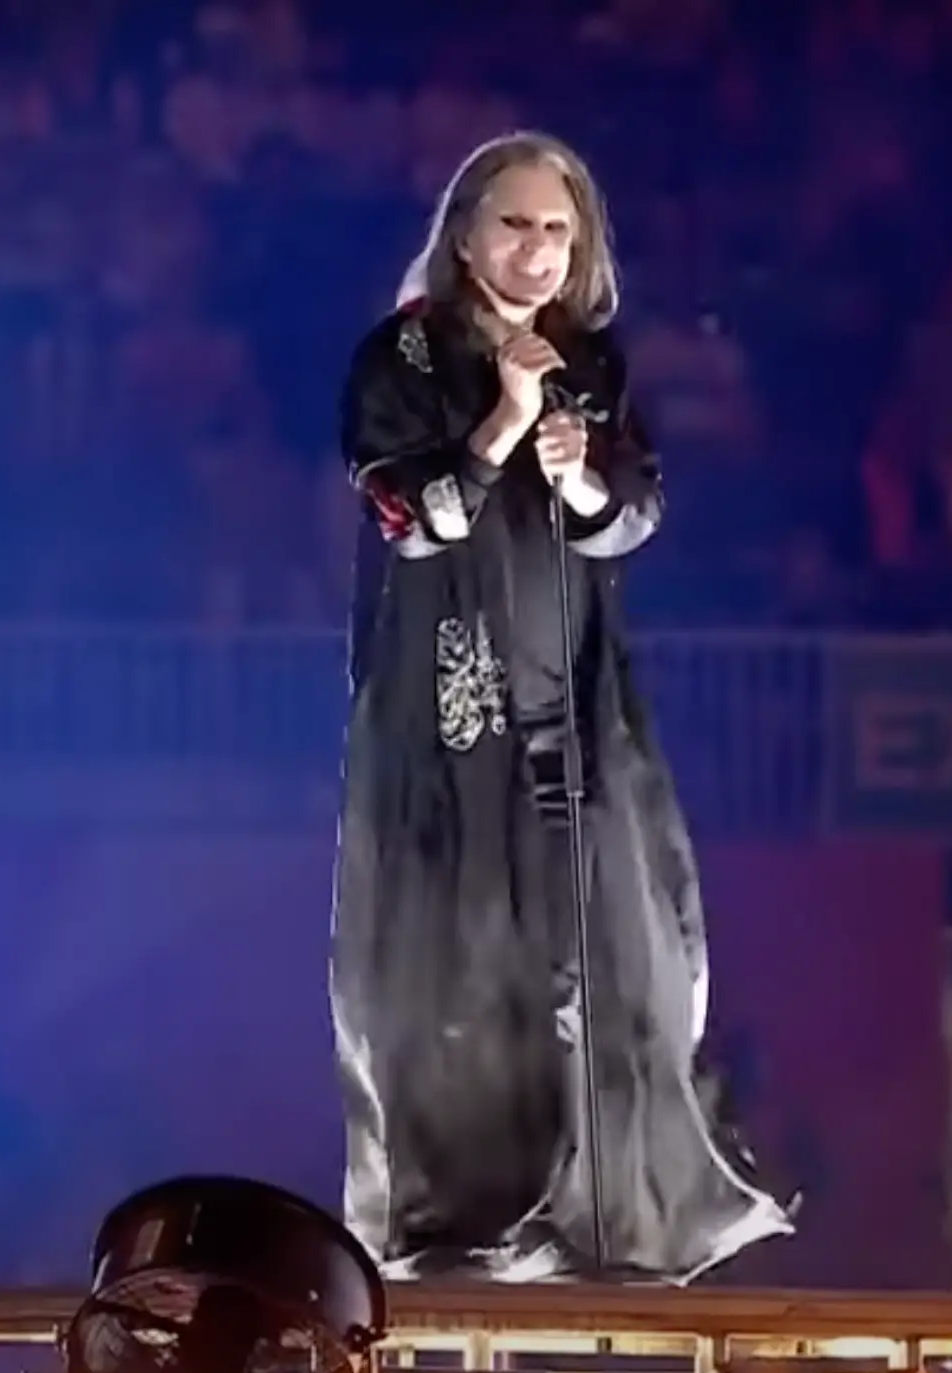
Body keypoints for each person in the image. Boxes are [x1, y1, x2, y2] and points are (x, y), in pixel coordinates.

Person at [329, 131, 792, 1284]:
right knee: (463, 965)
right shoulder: (402, 353)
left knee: (616, 952)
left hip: (574, 699)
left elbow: (631, 508)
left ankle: (611, 1211)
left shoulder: (591, 359)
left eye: (556, 231)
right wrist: (496, 429)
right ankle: (465, 1216)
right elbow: (404, 511)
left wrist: (575, 464)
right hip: (448, 711)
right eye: (512, 226)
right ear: (463, 233)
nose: (534, 252)